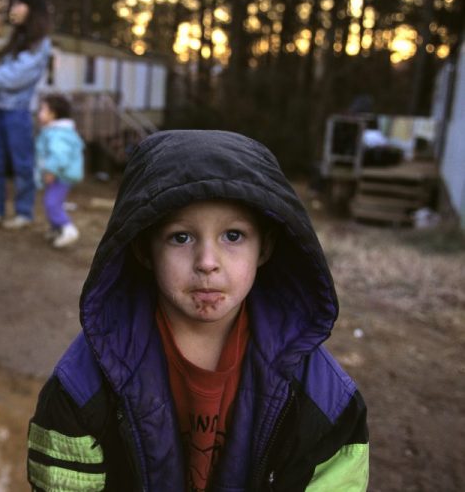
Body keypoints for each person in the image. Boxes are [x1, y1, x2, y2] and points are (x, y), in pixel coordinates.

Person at [26, 130, 369, 490]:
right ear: (144, 250)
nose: (207, 262)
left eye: (233, 236)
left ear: (265, 249)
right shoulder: (84, 382)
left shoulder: (321, 394)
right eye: (181, 237)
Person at [0, 0, 52, 230]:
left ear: (32, 8)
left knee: (22, 164)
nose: (14, 9)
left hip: (17, 111)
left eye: (19, 4)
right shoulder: (16, 37)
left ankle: (24, 212)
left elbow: (19, 75)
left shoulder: (41, 42)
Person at [35, 93, 84, 249]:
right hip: (60, 174)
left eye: (43, 109)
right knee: (53, 201)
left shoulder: (59, 133)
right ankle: (56, 230)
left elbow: (59, 155)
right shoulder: (54, 130)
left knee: (52, 203)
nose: (39, 113)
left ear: (53, 114)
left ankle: (68, 229)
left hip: (60, 174)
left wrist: (50, 170)